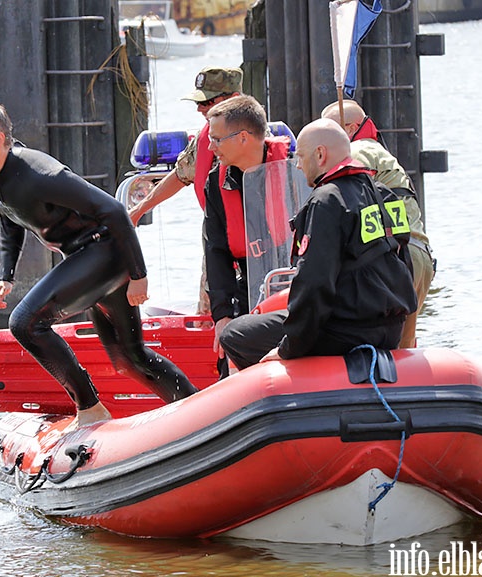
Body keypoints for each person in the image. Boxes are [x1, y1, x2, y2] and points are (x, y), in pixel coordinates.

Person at [0, 101, 198, 428]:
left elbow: (113, 209)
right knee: (129, 360)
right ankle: (195, 410)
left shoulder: (40, 174)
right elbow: (10, 222)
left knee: (26, 323)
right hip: (91, 261)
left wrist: (139, 275)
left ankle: (89, 407)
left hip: (105, 254)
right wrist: (5, 276)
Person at [218, 118, 417, 369]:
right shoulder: (384, 194)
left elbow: (314, 283)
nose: (299, 166)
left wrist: (289, 347)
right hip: (388, 330)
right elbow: (405, 264)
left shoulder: (327, 201)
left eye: (301, 156)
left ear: (320, 154)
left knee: (235, 334)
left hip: (345, 330)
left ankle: (292, 396)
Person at [127, 66, 242, 314]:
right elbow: (181, 174)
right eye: (199, 102)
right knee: (211, 312)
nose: (200, 108)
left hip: (257, 243)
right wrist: (138, 210)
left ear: (233, 100)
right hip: (218, 238)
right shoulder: (205, 140)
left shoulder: (258, 137)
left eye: (208, 101)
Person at [321, 99, 435, 348]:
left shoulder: (359, 150)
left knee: (379, 342)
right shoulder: (380, 153)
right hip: (419, 253)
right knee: (403, 346)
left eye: (330, 130)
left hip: (396, 256)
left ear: (350, 129)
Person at [201, 95, 293, 366]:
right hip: (250, 282)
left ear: (243, 138)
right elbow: (215, 250)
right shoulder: (216, 183)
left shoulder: (295, 166)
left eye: (216, 139)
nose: (210, 147)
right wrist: (222, 315)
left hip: (298, 279)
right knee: (227, 347)